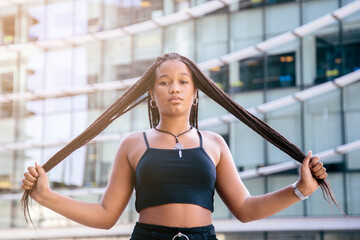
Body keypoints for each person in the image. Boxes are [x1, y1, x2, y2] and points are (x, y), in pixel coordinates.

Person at [21, 53, 328, 240]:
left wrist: (300, 189)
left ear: (196, 93)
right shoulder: (132, 145)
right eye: (164, 82)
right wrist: (45, 196)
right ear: (152, 94)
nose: (174, 89)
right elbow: (105, 215)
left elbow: (245, 210)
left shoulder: (215, 144)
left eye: (183, 81)